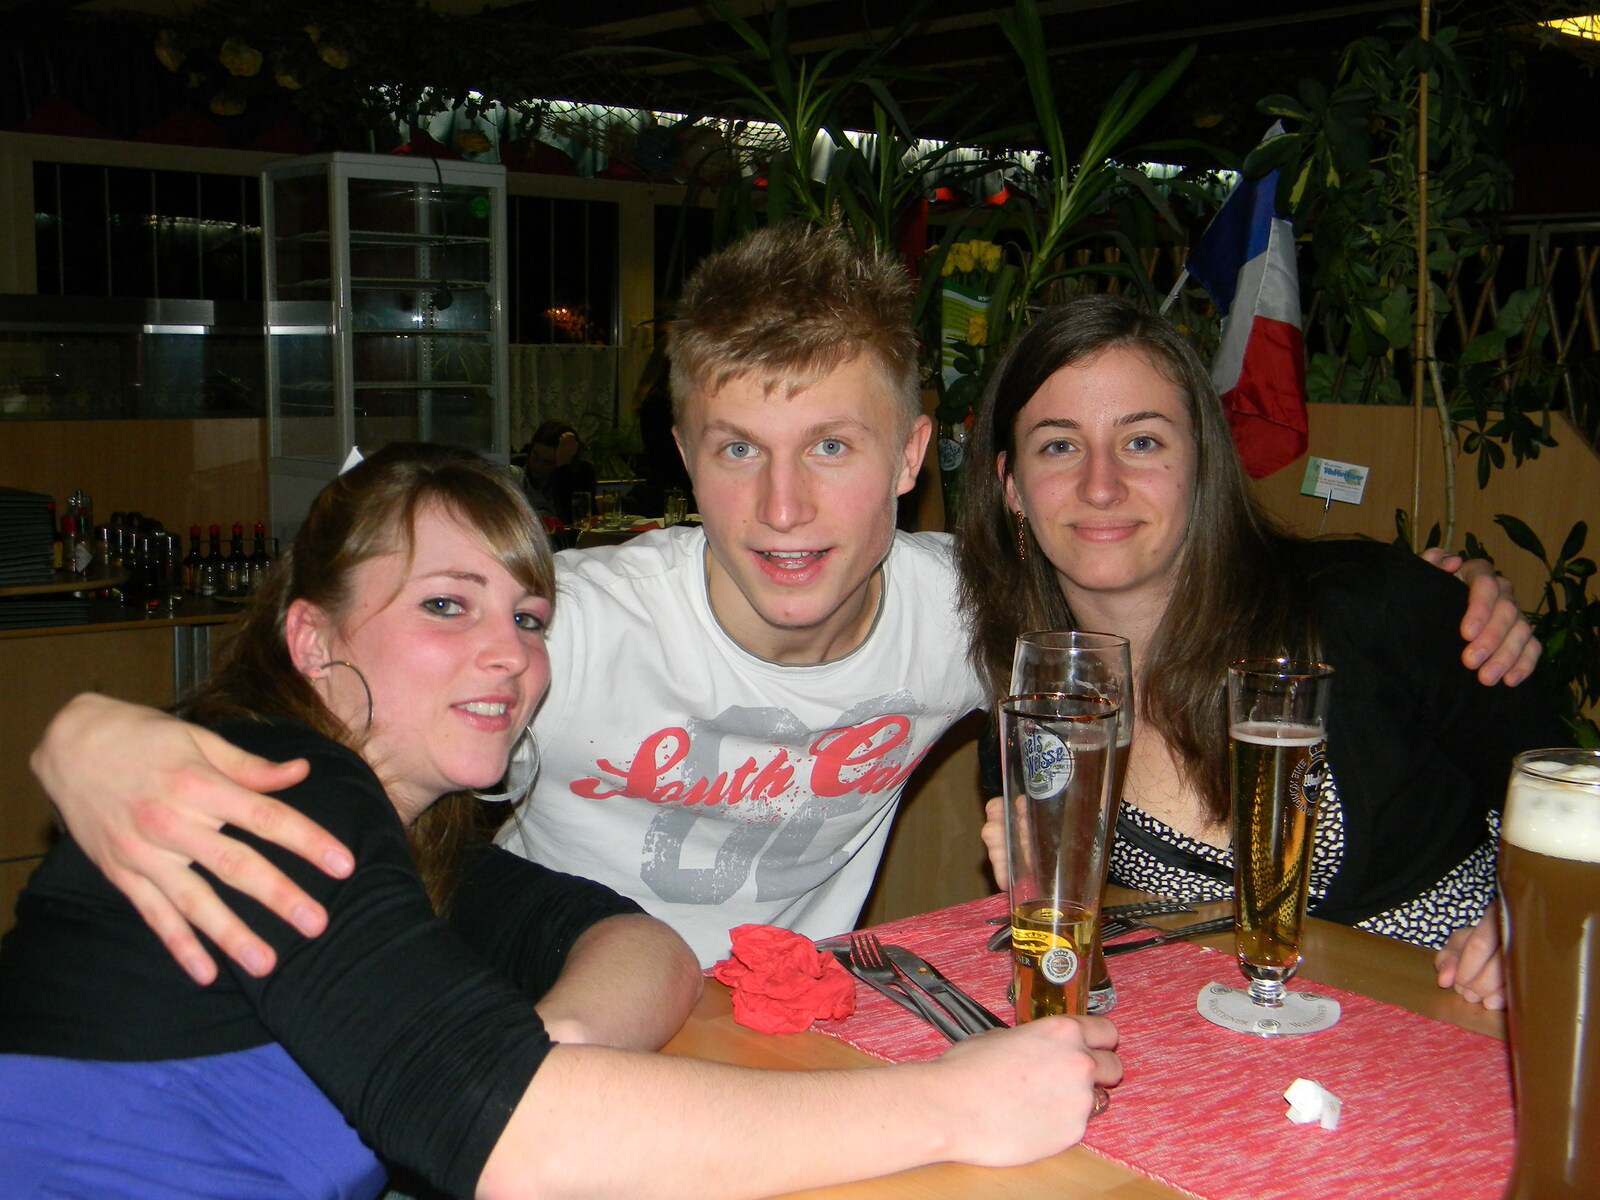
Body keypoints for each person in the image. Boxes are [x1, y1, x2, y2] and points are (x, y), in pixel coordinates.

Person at [29, 226, 1539, 984]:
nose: (784, 510)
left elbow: (1170, 597)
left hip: (802, 1043)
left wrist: (1462, 601)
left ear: (916, 460)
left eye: (833, 449)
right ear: (682, 458)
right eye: (738, 450)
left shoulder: (983, 619)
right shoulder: (564, 626)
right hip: (542, 1029)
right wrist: (99, 735)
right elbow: (323, 693)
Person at [0, 442, 1123, 1200]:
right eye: (447, 605)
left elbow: (637, 943)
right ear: (312, 640)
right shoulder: (278, 792)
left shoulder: (414, 840)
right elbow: (515, 1142)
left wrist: (549, 1056)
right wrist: (953, 1105)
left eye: (529, 617)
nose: (507, 652)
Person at [955, 294, 1568, 1011]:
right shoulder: (1036, 721)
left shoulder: (1370, 609)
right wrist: (1049, 899)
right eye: (1060, 446)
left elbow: (1574, 795)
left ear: (1202, 464)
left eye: (1142, 442)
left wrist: (1535, 917)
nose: (1101, 485)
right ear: (1012, 488)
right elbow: (1114, 965)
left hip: (1467, 1023)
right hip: (1237, 1057)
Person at [516, 419, 597, 526]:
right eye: (536, 456)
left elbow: (578, 520)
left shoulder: (583, 472)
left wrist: (563, 469)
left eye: (548, 462)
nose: (539, 465)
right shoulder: (516, 469)